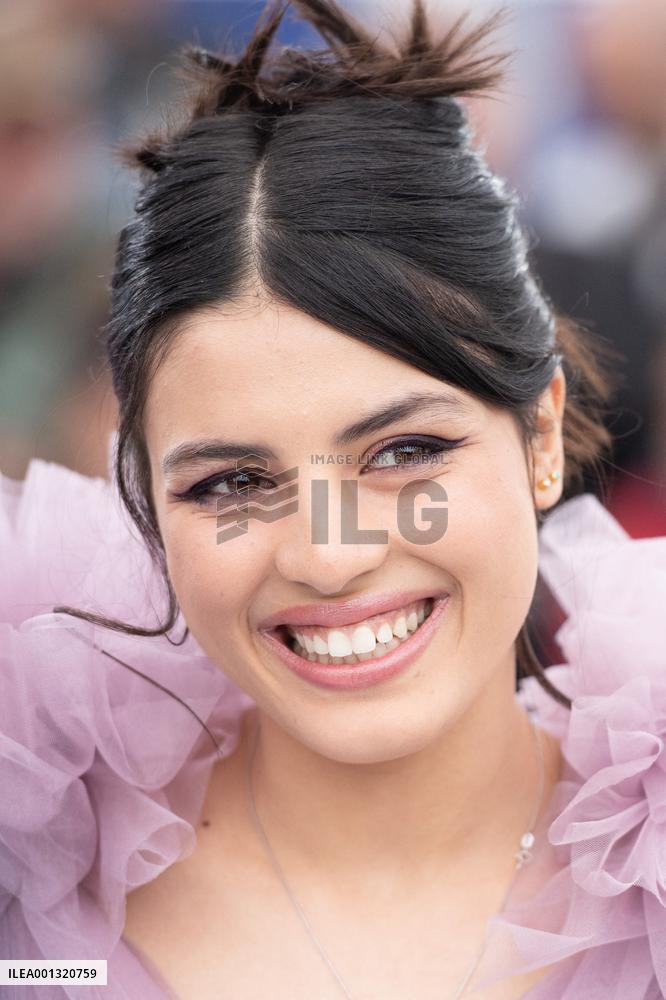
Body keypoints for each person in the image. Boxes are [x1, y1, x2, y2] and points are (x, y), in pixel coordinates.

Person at [1, 1, 665, 997]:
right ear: (142, 498)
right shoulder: (34, 867)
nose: (328, 553)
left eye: (405, 449)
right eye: (234, 480)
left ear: (538, 437)